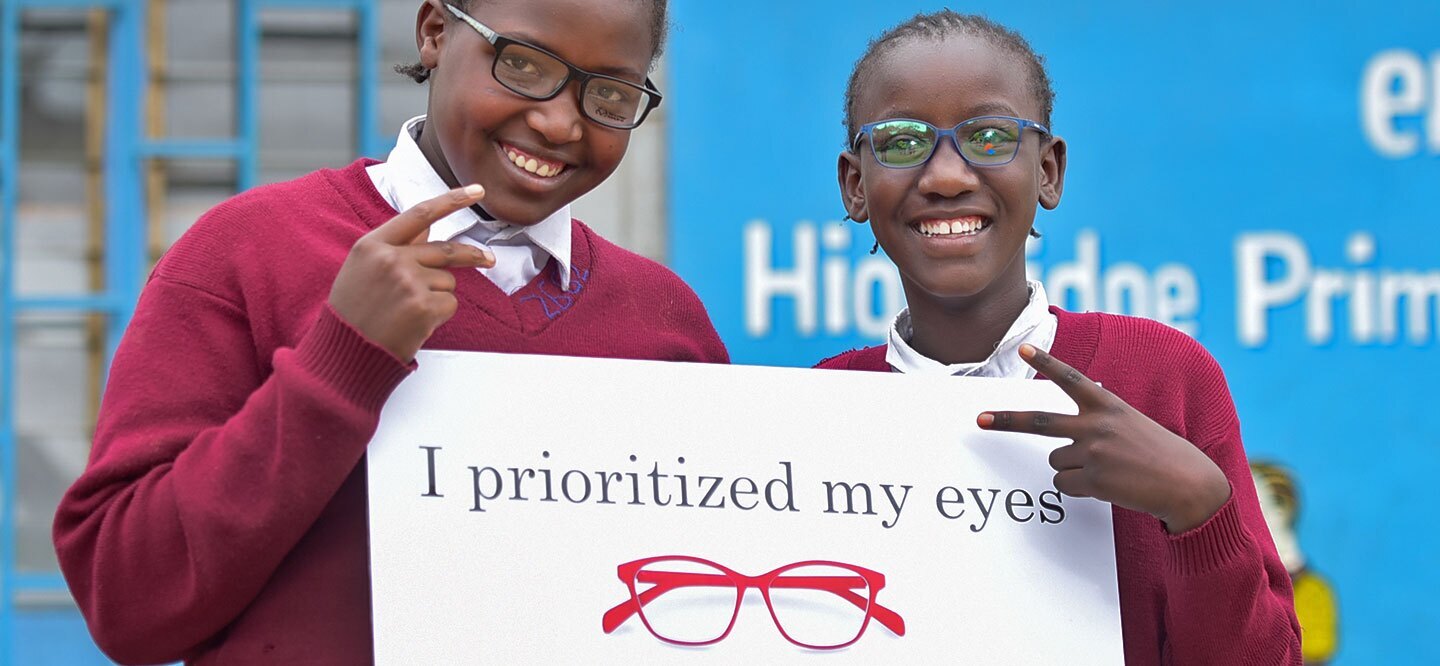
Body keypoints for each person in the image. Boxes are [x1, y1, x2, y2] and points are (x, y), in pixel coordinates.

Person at [52, 0, 726, 663]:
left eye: (608, 95)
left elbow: (712, 595)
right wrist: (342, 358)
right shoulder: (247, 252)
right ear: (435, 32)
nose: (558, 122)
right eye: (522, 64)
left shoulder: (664, 323)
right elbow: (127, 604)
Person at [815, 10, 1301, 664]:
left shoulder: (1163, 379)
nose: (948, 176)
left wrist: (1196, 506)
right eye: (902, 143)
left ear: (1048, 171)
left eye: (990, 136)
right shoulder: (817, 409)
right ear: (854, 185)